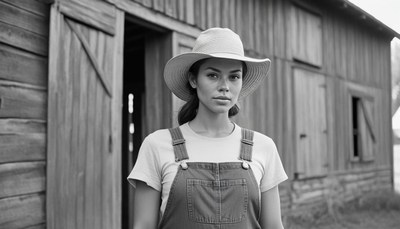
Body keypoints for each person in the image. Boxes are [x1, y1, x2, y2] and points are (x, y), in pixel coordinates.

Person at [128, 27, 288, 229]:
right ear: (193, 80)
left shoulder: (263, 147)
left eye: (234, 77)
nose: (225, 86)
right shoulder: (157, 145)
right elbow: (143, 225)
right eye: (213, 75)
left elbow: (274, 226)